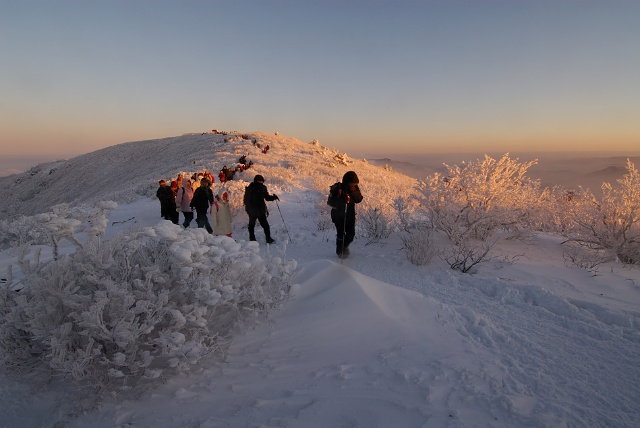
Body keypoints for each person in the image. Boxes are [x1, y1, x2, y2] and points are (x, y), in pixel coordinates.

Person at [327, 171, 363, 258]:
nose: (353, 185)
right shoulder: (337, 188)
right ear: (346, 182)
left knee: (351, 235)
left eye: (354, 184)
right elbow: (330, 202)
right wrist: (343, 200)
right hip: (338, 215)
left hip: (350, 215)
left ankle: (343, 247)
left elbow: (359, 199)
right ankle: (340, 252)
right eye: (351, 184)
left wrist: (353, 192)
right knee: (340, 234)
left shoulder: (355, 189)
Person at [243, 174, 278, 243]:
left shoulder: (257, 188)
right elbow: (267, 198)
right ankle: (260, 239)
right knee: (258, 225)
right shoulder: (256, 188)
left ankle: (260, 239)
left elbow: (266, 197)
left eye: (262, 181)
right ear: (257, 181)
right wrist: (274, 197)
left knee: (258, 225)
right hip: (256, 210)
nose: (262, 182)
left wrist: (273, 197)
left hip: (256, 210)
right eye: (261, 181)